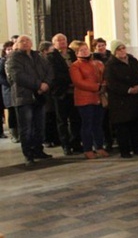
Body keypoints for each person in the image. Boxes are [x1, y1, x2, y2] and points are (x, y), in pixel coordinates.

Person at [6, 35, 54, 165]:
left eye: (28, 40)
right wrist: (38, 85)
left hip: (40, 95)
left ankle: (39, 150)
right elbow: (18, 76)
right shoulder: (13, 58)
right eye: (22, 41)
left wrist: (46, 84)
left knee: (39, 125)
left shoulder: (38, 56)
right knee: (26, 128)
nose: (26, 43)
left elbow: (49, 71)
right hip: (24, 97)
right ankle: (28, 154)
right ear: (17, 44)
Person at [104, 40, 138, 159]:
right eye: (119, 49)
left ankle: (137, 147)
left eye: (123, 48)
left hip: (135, 98)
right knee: (123, 127)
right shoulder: (111, 65)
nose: (122, 51)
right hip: (120, 101)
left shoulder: (132, 61)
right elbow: (112, 83)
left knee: (135, 125)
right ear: (114, 52)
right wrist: (127, 89)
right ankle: (125, 150)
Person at [69, 42, 108, 160]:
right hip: (84, 98)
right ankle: (88, 148)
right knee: (87, 124)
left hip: (98, 97)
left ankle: (99, 146)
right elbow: (78, 82)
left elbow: (103, 76)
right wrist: (97, 87)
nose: (85, 52)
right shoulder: (75, 66)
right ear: (76, 53)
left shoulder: (96, 63)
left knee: (98, 124)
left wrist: (104, 83)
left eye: (86, 49)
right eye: (81, 50)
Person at [48, 33, 82, 155]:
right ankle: (66, 145)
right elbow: (54, 74)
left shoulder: (72, 54)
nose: (62, 42)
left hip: (75, 92)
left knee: (76, 119)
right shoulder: (51, 57)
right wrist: (70, 81)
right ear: (54, 43)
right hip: (61, 92)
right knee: (62, 120)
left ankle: (76, 143)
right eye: (59, 40)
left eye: (64, 40)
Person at [0, 41, 19, 142]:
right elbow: (1, 77)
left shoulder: (18, 60)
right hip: (8, 89)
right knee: (12, 112)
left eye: (12, 48)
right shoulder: (3, 61)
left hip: (18, 90)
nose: (10, 51)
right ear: (5, 51)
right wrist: (10, 84)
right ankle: (14, 134)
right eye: (8, 49)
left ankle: (19, 133)